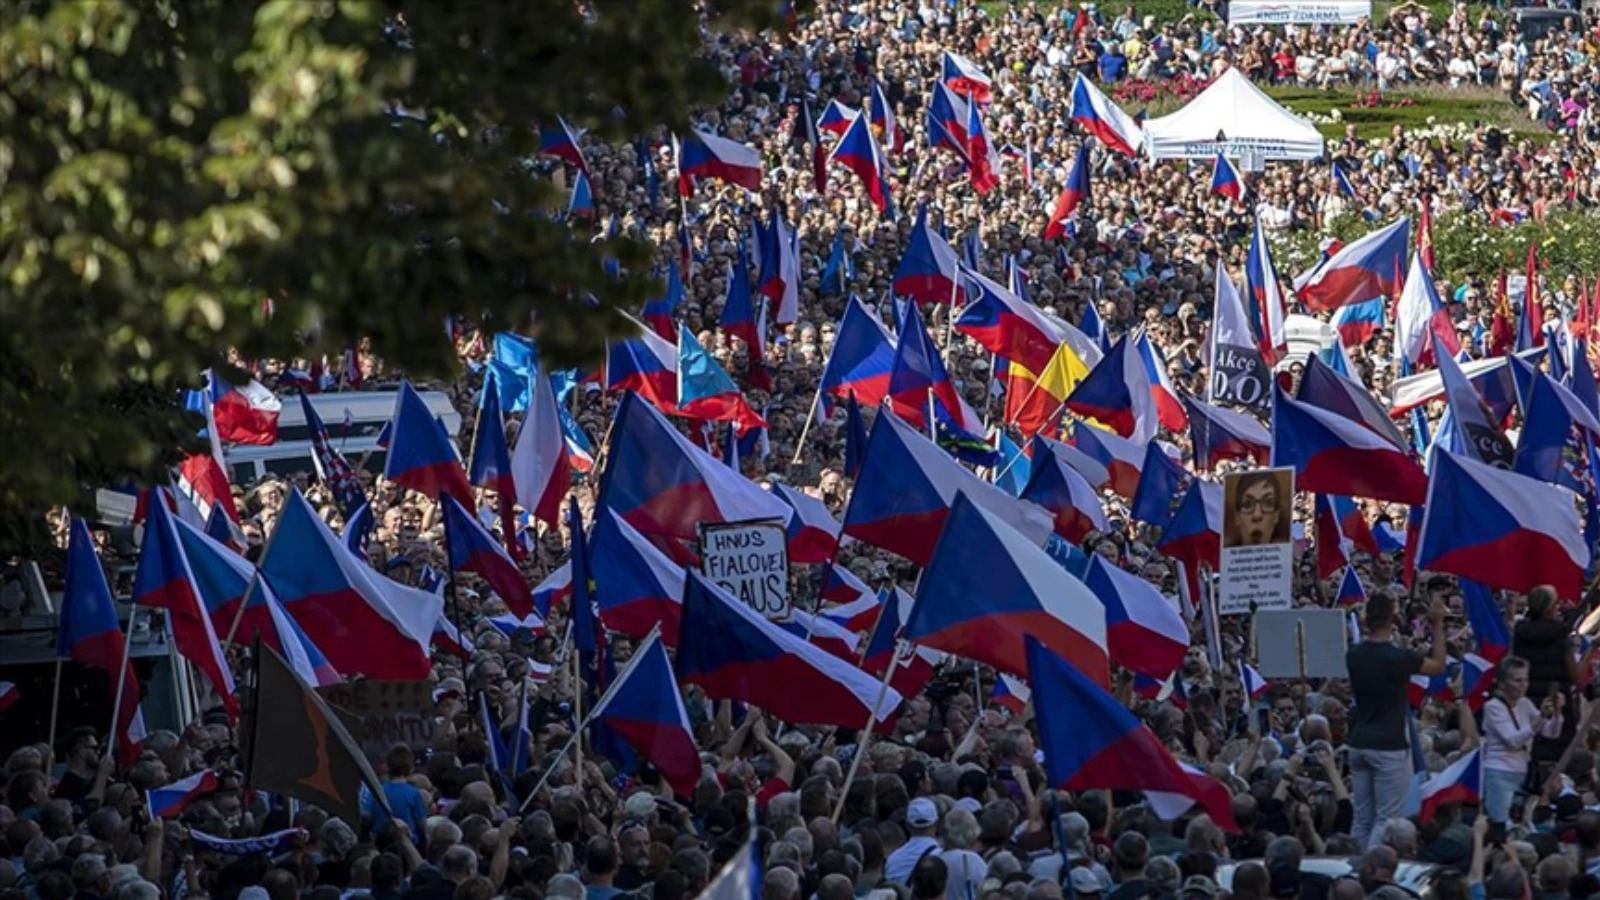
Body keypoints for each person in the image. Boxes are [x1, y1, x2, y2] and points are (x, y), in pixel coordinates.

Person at [1346, 591, 1448, 848]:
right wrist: (1437, 625)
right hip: (1388, 747)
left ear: (1366, 618)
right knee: (1386, 819)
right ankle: (1370, 873)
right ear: (1393, 620)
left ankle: (1353, 868)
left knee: (1361, 820)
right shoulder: (1398, 659)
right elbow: (1438, 665)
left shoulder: (1353, 655)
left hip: (1358, 742)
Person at [1481, 656, 1563, 826]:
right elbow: (1513, 740)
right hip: (1499, 771)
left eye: (1525, 680)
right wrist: (1540, 717)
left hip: (1522, 770)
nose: (1523, 685)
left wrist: (1556, 713)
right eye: (1517, 680)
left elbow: (1551, 733)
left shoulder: (1525, 703)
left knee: (1520, 822)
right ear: (1503, 683)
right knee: (1500, 822)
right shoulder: (1493, 707)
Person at [1226, 472, 1289, 547]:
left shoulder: (1291, 554)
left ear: (1276, 516)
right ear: (1237, 516)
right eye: (1247, 504)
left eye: (1267, 503)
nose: (1257, 515)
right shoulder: (1222, 556)